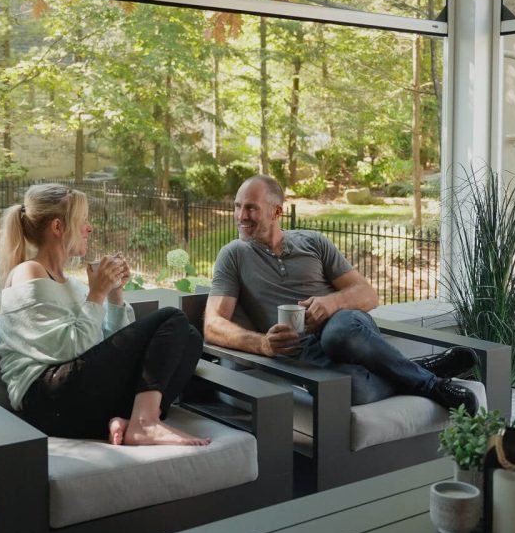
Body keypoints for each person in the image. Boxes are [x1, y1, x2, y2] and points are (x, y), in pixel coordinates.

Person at [204, 175, 479, 415]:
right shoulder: (233, 255)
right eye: (237, 207)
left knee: (339, 333)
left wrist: (330, 303)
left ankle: (431, 385)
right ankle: (419, 369)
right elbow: (212, 324)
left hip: (347, 329)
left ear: (276, 212)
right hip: (304, 355)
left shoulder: (312, 242)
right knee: (355, 390)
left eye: (250, 208)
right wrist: (263, 344)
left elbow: (368, 294)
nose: (240, 216)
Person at [0, 183, 210, 446]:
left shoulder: (72, 285)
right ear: (57, 227)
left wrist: (113, 294)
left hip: (77, 396)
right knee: (171, 317)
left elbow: (106, 347)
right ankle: (146, 423)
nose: (89, 228)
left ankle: (130, 420)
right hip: (45, 400)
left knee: (189, 337)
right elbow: (66, 350)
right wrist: (96, 295)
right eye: (82, 220)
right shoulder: (28, 272)